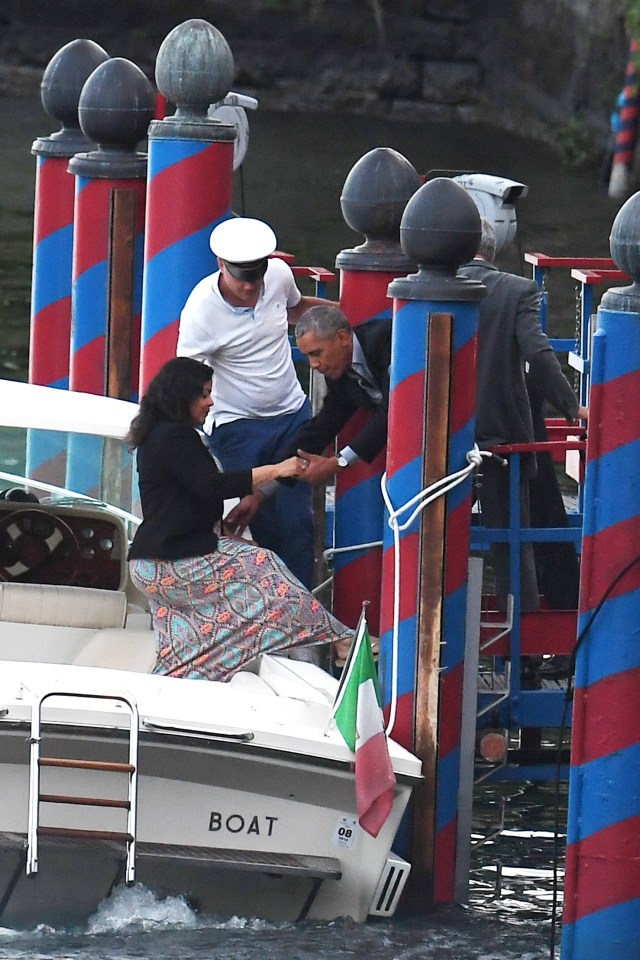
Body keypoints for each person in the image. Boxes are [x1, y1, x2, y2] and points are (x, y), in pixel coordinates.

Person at [127, 357, 354, 681]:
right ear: (182, 395)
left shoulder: (156, 437)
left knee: (185, 645)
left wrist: (217, 531)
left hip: (150, 564)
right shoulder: (175, 437)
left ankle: (164, 694)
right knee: (266, 565)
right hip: (171, 561)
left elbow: (177, 501)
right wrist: (279, 469)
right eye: (204, 394)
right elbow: (211, 486)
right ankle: (339, 640)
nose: (211, 401)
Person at [176, 216, 338, 592]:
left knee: (297, 522)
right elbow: (185, 380)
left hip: (292, 415)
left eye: (256, 275)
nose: (250, 286)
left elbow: (297, 310)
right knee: (258, 522)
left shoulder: (278, 276)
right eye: (240, 277)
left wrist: (353, 311)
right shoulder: (201, 311)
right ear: (221, 266)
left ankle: (299, 613)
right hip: (238, 428)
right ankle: (269, 611)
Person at [458, 218, 588, 617]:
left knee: (438, 536)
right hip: (501, 437)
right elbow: (538, 354)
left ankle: (441, 627)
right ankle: (523, 640)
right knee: (513, 542)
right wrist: (573, 408)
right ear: (494, 251)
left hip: (443, 431)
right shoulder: (517, 290)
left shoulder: (430, 285)